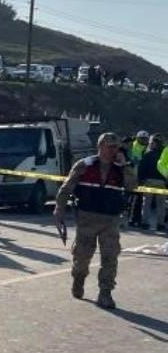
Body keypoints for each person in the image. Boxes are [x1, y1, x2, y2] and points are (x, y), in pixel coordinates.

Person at [55, 132, 138, 309]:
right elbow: (66, 188)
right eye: (110, 147)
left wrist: (125, 166)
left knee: (110, 256)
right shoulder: (85, 165)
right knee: (82, 257)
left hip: (110, 219)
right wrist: (59, 210)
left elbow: (132, 186)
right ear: (100, 147)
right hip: (87, 218)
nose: (113, 150)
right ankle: (78, 278)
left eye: (116, 147)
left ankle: (105, 292)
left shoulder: (121, 168)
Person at [138, 134, 167, 232]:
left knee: (146, 203)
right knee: (161, 205)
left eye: (151, 143)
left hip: (149, 181)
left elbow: (141, 168)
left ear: (155, 143)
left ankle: (145, 223)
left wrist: (140, 180)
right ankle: (161, 224)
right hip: (162, 181)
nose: (150, 144)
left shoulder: (148, 154)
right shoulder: (164, 154)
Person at [129, 130, 150, 226]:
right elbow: (133, 160)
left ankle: (136, 218)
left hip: (141, 176)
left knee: (139, 199)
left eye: (146, 138)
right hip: (133, 175)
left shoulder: (146, 148)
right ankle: (132, 218)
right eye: (142, 138)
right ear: (138, 138)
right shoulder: (134, 146)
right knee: (134, 198)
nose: (144, 140)